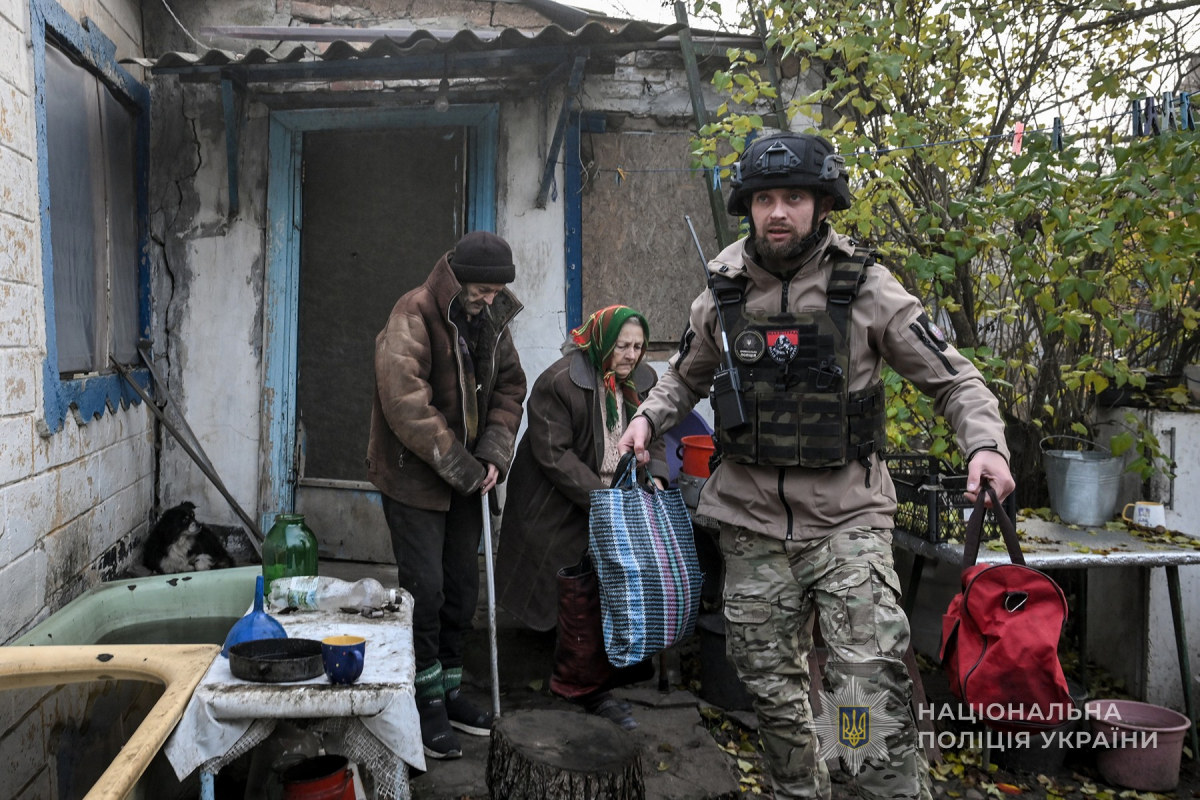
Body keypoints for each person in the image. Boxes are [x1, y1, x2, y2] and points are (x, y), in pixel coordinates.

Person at [620, 132, 1015, 800]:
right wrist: (643, 420)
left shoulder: (866, 287)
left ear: (823, 203)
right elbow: (683, 378)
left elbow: (956, 382)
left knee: (863, 683)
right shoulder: (721, 288)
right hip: (749, 521)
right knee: (772, 695)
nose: (778, 212)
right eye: (765, 198)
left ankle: (878, 789)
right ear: (747, 205)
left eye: (794, 198)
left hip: (847, 519)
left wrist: (985, 446)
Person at [367, 230, 527, 760]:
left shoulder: (493, 320)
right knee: (426, 592)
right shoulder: (412, 312)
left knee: (461, 587)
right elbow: (405, 401)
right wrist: (462, 464)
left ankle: (452, 690)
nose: (487, 301)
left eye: (494, 292)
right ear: (457, 280)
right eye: (480, 291)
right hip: (417, 477)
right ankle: (425, 699)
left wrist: (493, 456)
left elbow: (509, 389)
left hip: (468, 478)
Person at [495, 305, 668, 731]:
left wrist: (657, 476)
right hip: (558, 504)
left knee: (625, 583)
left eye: (639, 346)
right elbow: (554, 454)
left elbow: (656, 434)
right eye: (623, 346)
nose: (632, 355)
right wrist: (606, 502)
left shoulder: (644, 382)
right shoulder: (559, 382)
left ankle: (612, 670)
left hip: (618, 500)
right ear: (601, 341)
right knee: (578, 590)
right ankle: (582, 685)